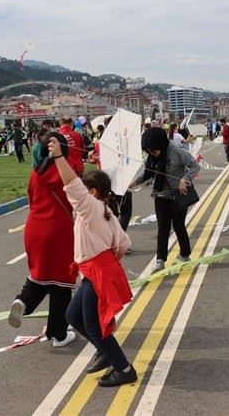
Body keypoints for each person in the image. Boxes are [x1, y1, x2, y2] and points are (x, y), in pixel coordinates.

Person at [44, 135, 137, 387]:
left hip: (98, 273)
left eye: (85, 190)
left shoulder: (91, 208)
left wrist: (58, 156)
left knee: (96, 328)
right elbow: (124, 244)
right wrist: (107, 261)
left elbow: (71, 185)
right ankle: (106, 354)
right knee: (73, 316)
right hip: (98, 270)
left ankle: (124, 368)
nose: (79, 194)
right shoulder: (105, 211)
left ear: (93, 192)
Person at [8, 133, 77, 348]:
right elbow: (77, 193)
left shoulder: (35, 174)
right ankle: (58, 333)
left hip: (34, 227)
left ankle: (24, 301)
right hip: (58, 229)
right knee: (61, 281)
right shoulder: (64, 173)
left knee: (40, 273)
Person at [129, 127, 200, 272]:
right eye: (148, 150)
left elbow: (195, 166)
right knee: (163, 228)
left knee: (179, 226)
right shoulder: (152, 156)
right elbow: (148, 172)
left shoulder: (178, 152)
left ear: (161, 144)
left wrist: (184, 179)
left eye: (153, 150)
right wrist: (134, 183)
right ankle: (160, 260)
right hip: (161, 195)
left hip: (178, 195)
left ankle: (185, 255)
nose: (151, 153)